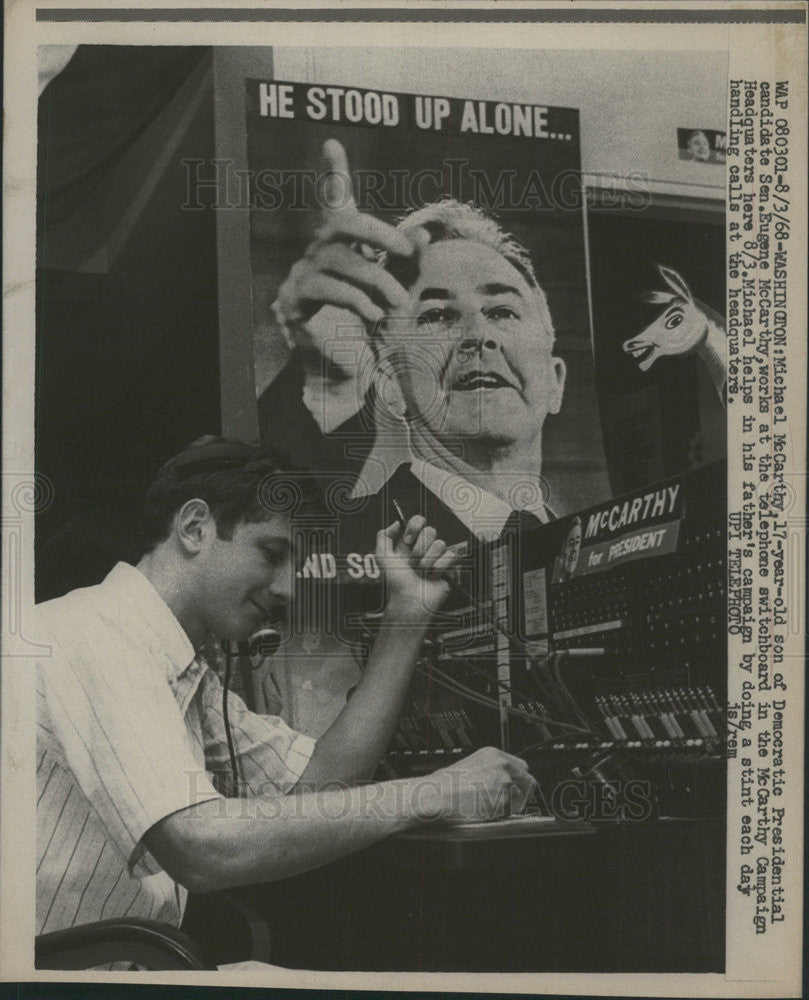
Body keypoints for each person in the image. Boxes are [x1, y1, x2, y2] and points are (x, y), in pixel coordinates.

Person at [35, 436, 536, 938]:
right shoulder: (97, 631)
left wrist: (408, 611)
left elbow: (318, 780)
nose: (288, 588)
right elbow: (200, 848)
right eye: (272, 553)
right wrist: (435, 792)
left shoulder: (179, 669)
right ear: (194, 527)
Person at [267, 139, 565, 552]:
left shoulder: (596, 544)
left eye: (502, 311)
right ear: (391, 385)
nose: (478, 335)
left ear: (556, 382)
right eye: (438, 315)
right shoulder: (339, 542)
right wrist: (326, 386)